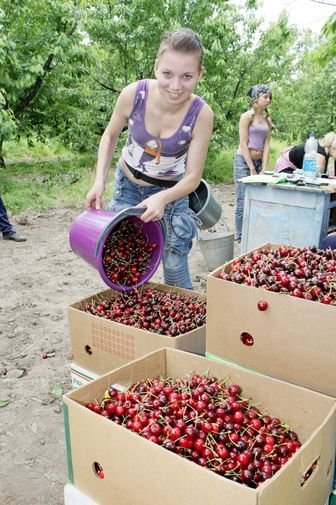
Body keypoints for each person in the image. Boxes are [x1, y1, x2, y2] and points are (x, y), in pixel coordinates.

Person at [85, 28, 214, 289]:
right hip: (128, 188)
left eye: (187, 76)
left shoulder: (202, 114)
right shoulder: (134, 94)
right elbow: (109, 136)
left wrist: (162, 198)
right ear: (156, 67)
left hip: (173, 192)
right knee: (120, 263)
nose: (176, 86)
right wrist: (99, 180)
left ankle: (185, 329)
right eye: (167, 73)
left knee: (175, 262)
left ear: (199, 75)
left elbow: (192, 177)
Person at [233, 84, 272, 243]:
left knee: (259, 198)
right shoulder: (246, 117)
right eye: (265, 97)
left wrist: (263, 168)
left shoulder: (267, 120)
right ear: (256, 98)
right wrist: (251, 168)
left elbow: (267, 144)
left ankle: (254, 234)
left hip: (258, 161)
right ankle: (241, 237)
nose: (268, 100)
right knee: (243, 199)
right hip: (244, 161)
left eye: (270, 97)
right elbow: (243, 143)